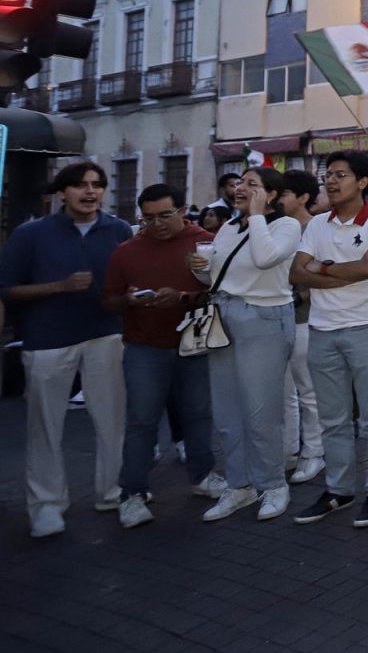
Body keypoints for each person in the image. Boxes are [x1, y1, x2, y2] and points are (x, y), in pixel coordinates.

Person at [0, 162, 134, 538]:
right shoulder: (31, 234)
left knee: (113, 422)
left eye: (96, 185)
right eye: (79, 185)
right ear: (62, 193)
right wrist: (58, 287)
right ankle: (46, 506)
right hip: (47, 340)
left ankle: (113, 491)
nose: (89, 192)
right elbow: (7, 288)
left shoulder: (119, 230)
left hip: (105, 335)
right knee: (44, 428)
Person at [103, 183, 222, 528]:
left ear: (183, 211)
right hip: (144, 346)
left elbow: (219, 291)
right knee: (141, 421)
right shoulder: (126, 251)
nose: (156, 224)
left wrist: (183, 296)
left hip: (194, 343)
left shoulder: (206, 243)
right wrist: (127, 300)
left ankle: (202, 476)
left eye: (165, 215)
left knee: (199, 414)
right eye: (149, 217)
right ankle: (133, 494)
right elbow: (108, 300)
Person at [290, 151, 368, 528]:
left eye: (339, 175)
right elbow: (296, 273)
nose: (330, 182)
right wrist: (339, 271)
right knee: (333, 419)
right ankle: (339, 489)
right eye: (328, 175)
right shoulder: (318, 224)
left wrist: (318, 267)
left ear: (363, 182)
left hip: (366, 328)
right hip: (322, 331)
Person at [190, 167, 302, 523]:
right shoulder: (227, 226)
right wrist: (198, 269)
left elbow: (265, 258)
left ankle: (272, 485)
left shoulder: (286, 227)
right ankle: (239, 485)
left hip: (265, 318)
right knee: (226, 410)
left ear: (271, 195)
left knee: (260, 412)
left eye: (252, 184)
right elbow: (216, 276)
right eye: (240, 182)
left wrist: (255, 217)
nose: (241, 188)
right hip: (224, 315)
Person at [277, 170, 326, 485]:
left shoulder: (315, 229)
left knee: (308, 391)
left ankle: (314, 454)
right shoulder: (277, 228)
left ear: (303, 197)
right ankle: (287, 452)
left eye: (283, 193)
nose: (277, 198)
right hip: (276, 320)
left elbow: (317, 278)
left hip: (305, 319)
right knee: (284, 393)